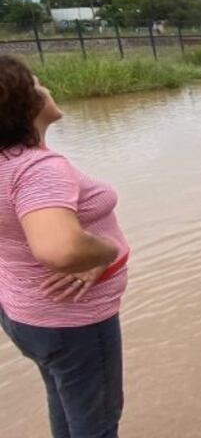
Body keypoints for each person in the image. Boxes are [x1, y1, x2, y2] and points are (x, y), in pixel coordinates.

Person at [0, 55, 129, 437]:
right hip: (74, 322)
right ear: (25, 104)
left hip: (27, 313)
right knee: (98, 424)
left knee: (68, 407)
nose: (47, 87)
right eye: (37, 83)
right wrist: (108, 252)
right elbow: (61, 250)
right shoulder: (36, 169)